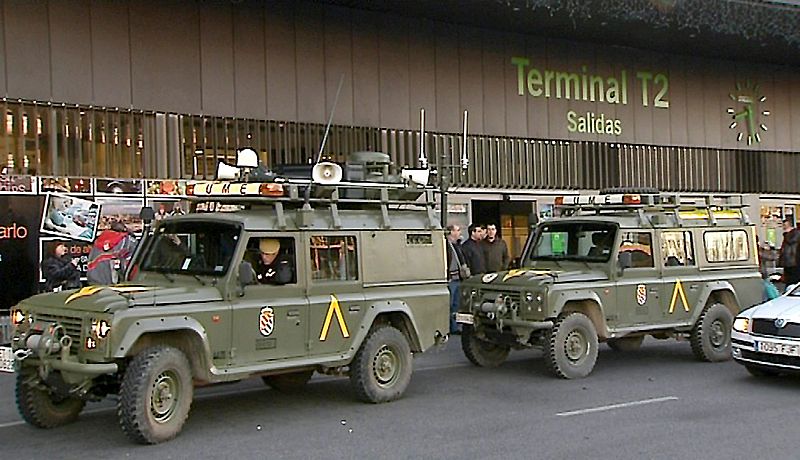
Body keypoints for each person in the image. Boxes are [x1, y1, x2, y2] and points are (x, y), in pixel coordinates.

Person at [446, 224, 467, 334]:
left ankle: (454, 327)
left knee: (456, 305)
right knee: (449, 304)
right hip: (451, 279)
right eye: (457, 230)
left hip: (458, 278)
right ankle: (448, 327)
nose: (459, 232)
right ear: (451, 232)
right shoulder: (446, 245)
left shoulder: (457, 245)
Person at [778, 219, 800, 286]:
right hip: (789, 262)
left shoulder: (795, 233)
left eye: (784, 225)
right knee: (789, 281)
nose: (783, 227)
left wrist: (786, 233)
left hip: (793, 261)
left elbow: (790, 241)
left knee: (793, 280)